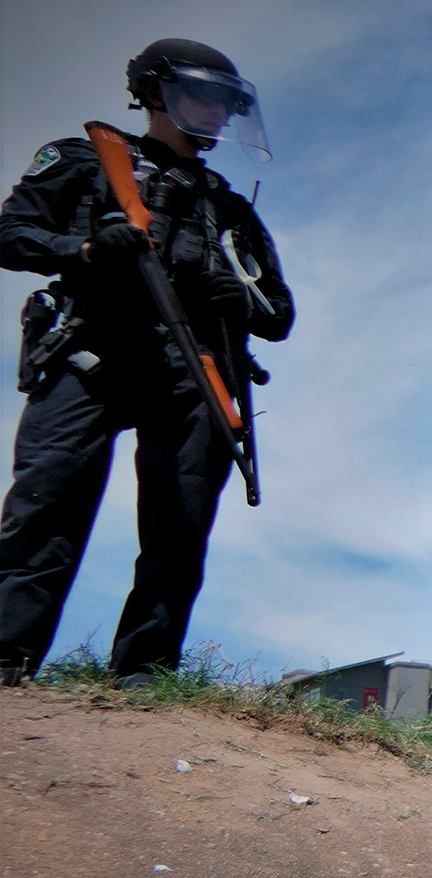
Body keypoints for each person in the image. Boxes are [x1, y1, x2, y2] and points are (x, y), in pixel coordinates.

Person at [0, 39, 294, 687]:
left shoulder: (229, 207)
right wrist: (81, 248)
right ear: (156, 93)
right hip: (90, 357)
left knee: (179, 529)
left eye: (226, 103)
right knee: (45, 506)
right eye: (202, 96)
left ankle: (143, 674)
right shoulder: (86, 162)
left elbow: (279, 314)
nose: (216, 114)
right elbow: (10, 234)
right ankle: (7, 657)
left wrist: (240, 298)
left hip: (196, 374)